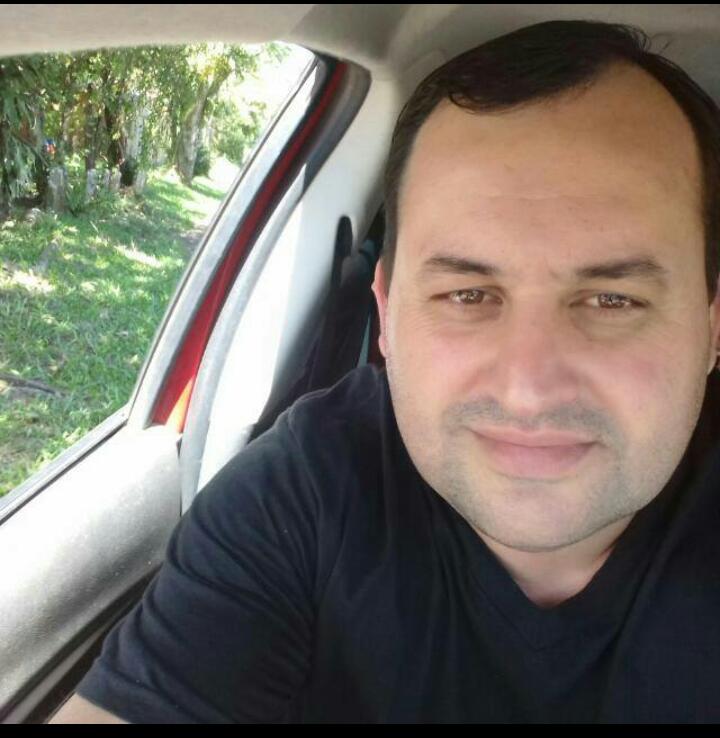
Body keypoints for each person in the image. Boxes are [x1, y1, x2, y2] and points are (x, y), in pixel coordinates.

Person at [51, 19, 720, 723]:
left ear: (712, 328)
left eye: (614, 300)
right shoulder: (302, 496)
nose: (527, 390)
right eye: (467, 295)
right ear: (387, 317)